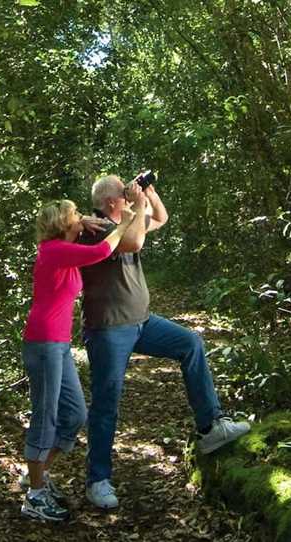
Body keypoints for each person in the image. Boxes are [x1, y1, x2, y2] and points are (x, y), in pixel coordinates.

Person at [78, 173, 250, 510]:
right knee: (106, 403)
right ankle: (97, 480)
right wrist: (138, 202)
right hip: (109, 330)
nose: (129, 195)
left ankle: (210, 426)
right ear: (112, 200)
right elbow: (134, 243)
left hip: (143, 323)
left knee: (191, 344)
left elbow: (160, 218)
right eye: (123, 192)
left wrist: (150, 193)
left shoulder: (128, 218)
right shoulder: (94, 229)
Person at [20, 199, 138, 521]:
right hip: (43, 342)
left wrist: (82, 220)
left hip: (58, 344)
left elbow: (87, 235)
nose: (81, 217)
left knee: (73, 415)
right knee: (46, 417)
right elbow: (102, 251)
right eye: (75, 215)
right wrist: (126, 223)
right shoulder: (53, 249)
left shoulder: (64, 247)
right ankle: (34, 494)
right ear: (63, 223)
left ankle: (38, 473)